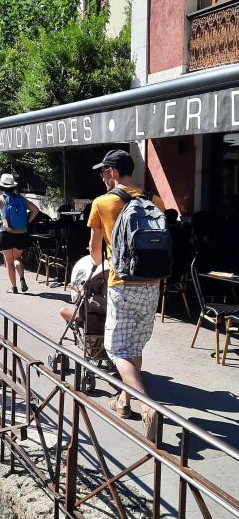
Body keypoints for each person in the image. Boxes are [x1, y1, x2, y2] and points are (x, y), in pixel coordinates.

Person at [88, 149, 165, 440]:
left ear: (112, 172)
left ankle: (147, 404)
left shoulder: (103, 202)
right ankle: (124, 401)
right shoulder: (154, 200)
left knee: (117, 349)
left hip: (122, 283)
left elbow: (95, 251)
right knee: (134, 346)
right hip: (153, 283)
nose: (103, 177)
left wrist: (97, 267)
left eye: (103, 172)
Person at [0, 173, 39, 293]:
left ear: (2, 186)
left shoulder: (1, 199)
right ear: (13, 187)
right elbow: (36, 210)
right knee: (17, 257)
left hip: (6, 232)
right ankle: (22, 278)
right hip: (21, 232)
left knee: (8, 261)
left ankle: (14, 287)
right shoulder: (22, 199)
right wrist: (27, 221)